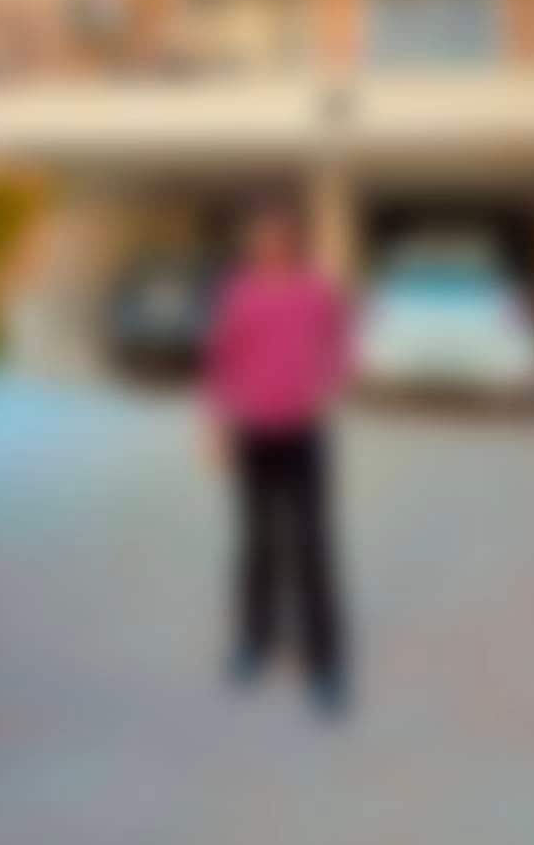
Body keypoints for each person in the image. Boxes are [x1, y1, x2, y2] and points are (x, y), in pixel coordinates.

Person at [204, 197, 351, 716]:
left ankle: (325, 663)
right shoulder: (238, 294)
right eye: (260, 238)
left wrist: (325, 385)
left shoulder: (317, 292)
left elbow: (341, 344)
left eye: (277, 236)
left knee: (312, 546)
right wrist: (218, 425)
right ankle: (254, 641)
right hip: (253, 435)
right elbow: (222, 360)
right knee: (258, 543)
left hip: (303, 434)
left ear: (293, 240)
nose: (267, 245)